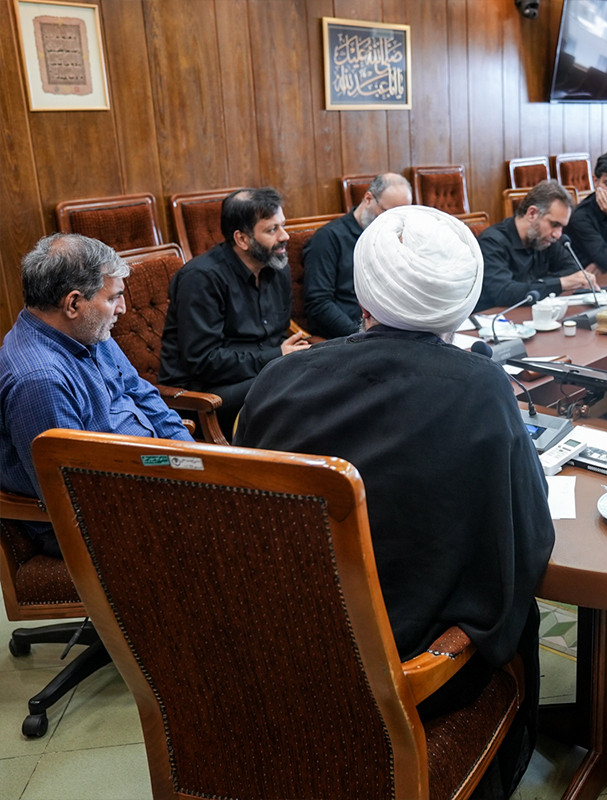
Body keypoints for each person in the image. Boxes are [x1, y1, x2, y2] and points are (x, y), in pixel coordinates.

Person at [235, 205, 554, 799]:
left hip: (278, 656)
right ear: (460, 307)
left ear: (364, 294)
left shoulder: (277, 380)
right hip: (409, 672)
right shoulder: (482, 389)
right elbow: (527, 537)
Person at [0, 234, 192, 556]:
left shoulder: (86, 330)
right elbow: (77, 498)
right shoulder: (39, 381)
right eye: (114, 297)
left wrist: (192, 459)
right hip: (102, 520)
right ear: (73, 303)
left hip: (146, 470)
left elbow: (142, 393)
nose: (123, 308)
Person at [158, 187, 310, 434]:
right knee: (294, 389)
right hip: (204, 393)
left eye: (283, 225)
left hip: (263, 374)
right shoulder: (201, 278)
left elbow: (278, 335)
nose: (285, 236)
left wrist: (284, 356)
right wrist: (275, 356)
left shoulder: (277, 266)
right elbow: (203, 361)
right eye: (272, 230)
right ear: (242, 239)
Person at [302, 172, 412, 338]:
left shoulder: (397, 235)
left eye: (401, 216)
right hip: (349, 335)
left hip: (391, 330)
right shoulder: (328, 238)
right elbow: (319, 305)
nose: (394, 222)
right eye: (387, 212)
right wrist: (361, 336)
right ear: (368, 199)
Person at [475, 180, 591, 310]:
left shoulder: (544, 239)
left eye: (562, 227)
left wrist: (539, 285)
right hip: (494, 317)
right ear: (532, 214)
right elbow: (502, 293)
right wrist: (559, 283)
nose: (558, 234)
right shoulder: (492, 242)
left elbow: (572, 270)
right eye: (554, 224)